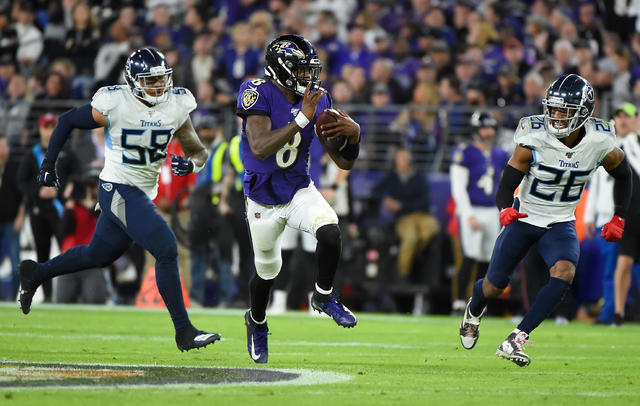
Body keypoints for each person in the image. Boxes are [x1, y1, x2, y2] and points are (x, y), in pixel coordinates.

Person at [17, 47, 220, 352]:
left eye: (162, 79)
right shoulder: (115, 103)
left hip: (139, 193)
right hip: (116, 187)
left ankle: (35, 273)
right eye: (151, 81)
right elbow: (67, 120)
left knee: (97, 255)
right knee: (166, 247)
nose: (159, 87)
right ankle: (184, 331)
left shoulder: (175, 106)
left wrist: (191, 164)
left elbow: (199, 151)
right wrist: (48, 165)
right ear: (134, 81)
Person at [459, 74, 632, 367]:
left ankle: (517, 337)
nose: (556, 116)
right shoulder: (534, 137)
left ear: (584, 111)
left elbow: (624, 174)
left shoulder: (600, 141)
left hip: (561, 220)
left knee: (564, 272)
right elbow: (507, 180)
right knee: (495, 285)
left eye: (565, 111)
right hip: (525, 215)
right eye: (553, 109)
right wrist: (504, 208)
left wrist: (619, 216)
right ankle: (474, 309)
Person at [237, 34, 361, 364]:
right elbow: (260, 146)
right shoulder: (256, 91)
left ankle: (323, 297)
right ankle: (257, 321)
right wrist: (301, 118)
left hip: (297, 189)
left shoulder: (318, 99)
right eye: (302, 71)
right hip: (262, 197)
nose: (309, 78)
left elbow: (344, 162)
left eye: (311, 71)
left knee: (331, 230)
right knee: (267, 271)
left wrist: (354, 137)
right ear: (281, 70)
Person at [450, 112, 509, 314]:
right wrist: (468, 215)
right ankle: (458, 301)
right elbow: (458, 188)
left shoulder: (500, 154)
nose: (489, 131)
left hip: (492, 210)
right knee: (469, 257)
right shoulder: (465, 152)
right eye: (485, 127)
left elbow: (505, 184)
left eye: (491, 127)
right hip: (473, 209)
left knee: (487, 259)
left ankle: (478, 301)